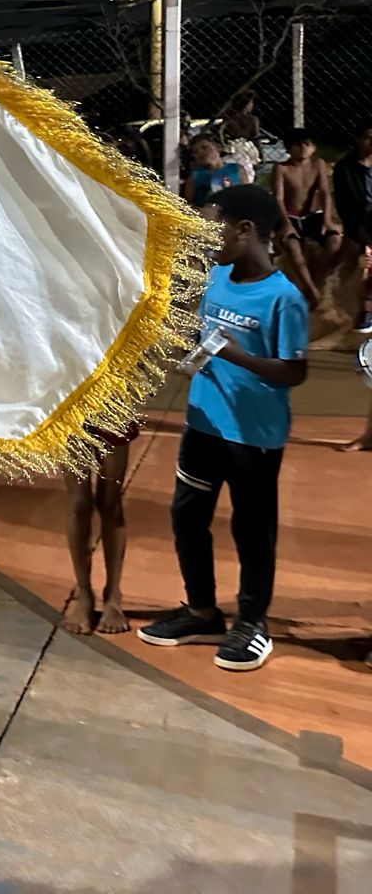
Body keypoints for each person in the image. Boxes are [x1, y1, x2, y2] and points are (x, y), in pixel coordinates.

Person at [137, 184, 308, 672]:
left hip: (253, 435)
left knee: (251, 528)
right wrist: (184, 343)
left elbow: (294, 372)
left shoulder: (283, 298)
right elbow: (202, 335)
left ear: (245, 229)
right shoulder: (216, 278)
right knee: (187, 517)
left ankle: (252, 623)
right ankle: (200, 610)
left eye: (215, 228)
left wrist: (236, 355)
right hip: (203, 421)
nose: (208, 237)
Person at [60, 425, 137, 635]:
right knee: (79, 504)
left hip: (110, 400)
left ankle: (113, 595)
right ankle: (84, 593)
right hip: (68, 402)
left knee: (111, 500)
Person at [272, 129, 344, 308]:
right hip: (291, 215)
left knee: (335, 240)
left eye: (308, 144)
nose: (304, 148)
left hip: (313, 214)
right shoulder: (281, 168)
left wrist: (327, 220)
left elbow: (325, 193)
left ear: (314, 147)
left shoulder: (318, 164)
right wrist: (287, 224)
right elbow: (278, 198)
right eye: (298, 144)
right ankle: (310, 289)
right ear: (289, 149)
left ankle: (316, 281)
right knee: (292, 246)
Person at [332, 124, 372, 335]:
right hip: (361, 225)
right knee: (364, 260)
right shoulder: (345, 168)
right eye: (367, 137)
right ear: (358, 140)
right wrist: (355, 232)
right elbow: (344, 205)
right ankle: (365, 310)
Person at [182, 134, 246, 210]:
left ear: (218, 147)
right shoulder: (194, 177)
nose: (200, 152)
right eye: (195, 152)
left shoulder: (237, 169)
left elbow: (247, 194)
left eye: (204, 147)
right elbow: (187, 205)